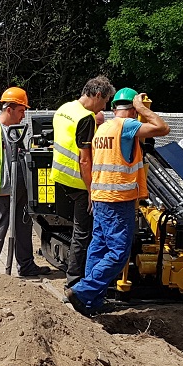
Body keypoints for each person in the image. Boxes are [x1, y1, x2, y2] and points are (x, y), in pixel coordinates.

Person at [66, 88, 170, 314]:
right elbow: (163, 128)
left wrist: (93, 193)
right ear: (132, 109)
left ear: (114, 108)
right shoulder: (127, 126)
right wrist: (144, 109)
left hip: (101, 196)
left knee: (98, 248)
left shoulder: (103, 128)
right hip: (118, 200)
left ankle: (91, 303)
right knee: (118, 253)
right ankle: (82, 291)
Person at [0, 86, 45, 276]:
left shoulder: (15, 130)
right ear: (9, 109)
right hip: (0, 191)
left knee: (23, 229)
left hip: (19, 190)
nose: (23, 115)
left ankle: (26, 266)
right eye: (21, 110)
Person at [51, 75, 114, 286]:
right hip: (79, 183)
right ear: (97, 95)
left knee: (75, 230)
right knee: (82, 234)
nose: (105, 106)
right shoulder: (85, 118)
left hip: (60, 177)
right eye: (105, 101)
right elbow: (85, 160)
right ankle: (74, 281)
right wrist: (92, 192)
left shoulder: (64, 109)